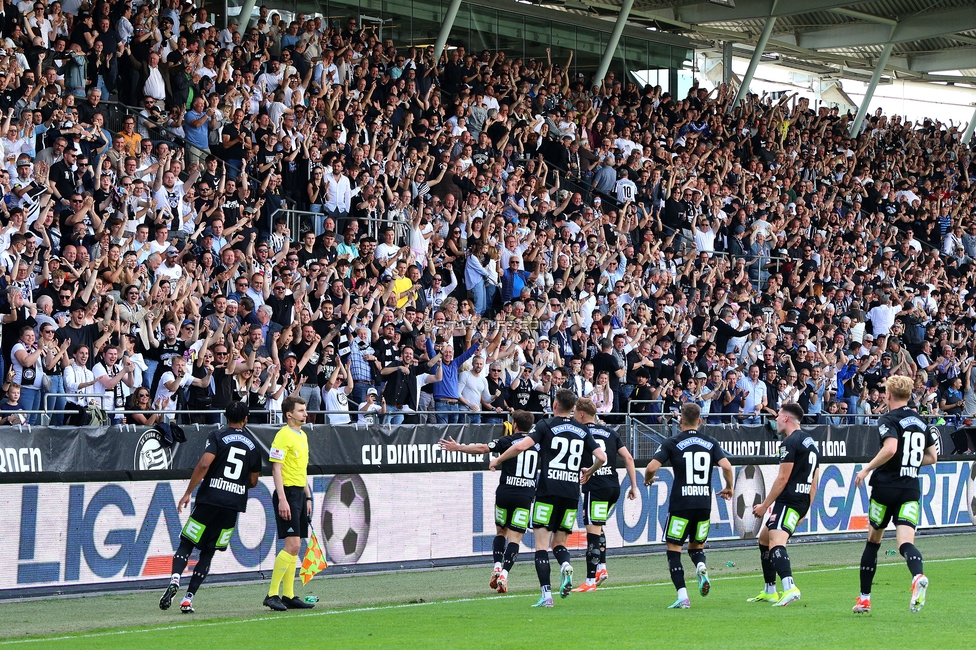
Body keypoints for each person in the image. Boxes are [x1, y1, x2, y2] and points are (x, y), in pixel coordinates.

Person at [489, 389, 607, 607]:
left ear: (554, 405)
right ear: (573, 408)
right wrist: (589, 471)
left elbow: (520, 446)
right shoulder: (582, 430)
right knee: (560, 543)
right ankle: (564, 566)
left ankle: (546, 595)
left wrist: (498, 460)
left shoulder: (546, 425)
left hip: (547, 492)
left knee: (542, 546)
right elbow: (602, 456)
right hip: (571, 494)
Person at [159, 401, 262, 613]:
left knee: (187, 543)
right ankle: (188, 599)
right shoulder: (253, 444)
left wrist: (188, 492)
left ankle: (176, 579)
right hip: (232, 506)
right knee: (209, 551)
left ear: (225, 417)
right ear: (246, 419)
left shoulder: (217, 436)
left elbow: (205, 464)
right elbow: (253, 481)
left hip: (209, 499)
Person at [852, 375, 938, 614]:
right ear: (909, 396)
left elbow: (890, 448)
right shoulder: (921, 422)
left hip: (885, 488)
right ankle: (917, 575)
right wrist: (908, 461)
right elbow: (932, 457)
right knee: (906, 543)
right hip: (910, 488)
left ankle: (864, 599)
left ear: (888, 395)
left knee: (873, 542)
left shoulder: (887, 419)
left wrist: (867, 468)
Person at [643, 402, 733, 608]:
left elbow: (651, 467)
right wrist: (729, 487)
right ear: (700, 421)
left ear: (680, 420)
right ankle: (701, 565)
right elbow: (727, 466)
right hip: (703, 504)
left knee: (674, 549)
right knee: (696, 546)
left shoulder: (672, 442)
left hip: (681, 504)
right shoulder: (710, 442)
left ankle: (683, 596)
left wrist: (649, 479)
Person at [439, 410, 537, 594]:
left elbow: (483, 449)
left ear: (514, 425)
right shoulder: (537, 444)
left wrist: (458, 447)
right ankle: (505, 575)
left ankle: (497, 566)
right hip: (525, 495)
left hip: (505, 493)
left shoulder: (507, 441)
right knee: (515, 538)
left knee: (501, 532)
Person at [747, 402, 820, 608]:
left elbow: (782, 479)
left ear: (786, 418)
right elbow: (815, 478)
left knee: (776, 543)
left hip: (788, 500)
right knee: (764, 538)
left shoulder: (789, 443)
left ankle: (789, 587)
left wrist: (764, 506)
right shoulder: (810, 441)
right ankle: (770, 590)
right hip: (800, 500)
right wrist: (807, 506)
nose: (776, 419)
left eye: (778, 415)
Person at [571, 397, 638, 592]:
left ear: (581, 414)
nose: (574, 415)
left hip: (596, 487)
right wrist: (633, 486)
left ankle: (590, 581)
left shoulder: (580, 432)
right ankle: (602, 568)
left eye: (575, 412)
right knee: (598, 528)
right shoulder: (610, 432)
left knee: (592, 534)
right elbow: (628, 457)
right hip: (613, 487)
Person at [264, 395, 315, 611]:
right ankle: (271, 594)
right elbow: (276, 469)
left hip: (299, 495)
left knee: (295, 547)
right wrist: (282, 498)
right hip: (287, 495)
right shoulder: (282, 436)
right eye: (301, 410)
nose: (305, 413)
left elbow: (301, 469)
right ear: (289, 414)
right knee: (292, 545)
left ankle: (289, 595)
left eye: (305, 410)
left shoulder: (302, 435)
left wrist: (308, 495)